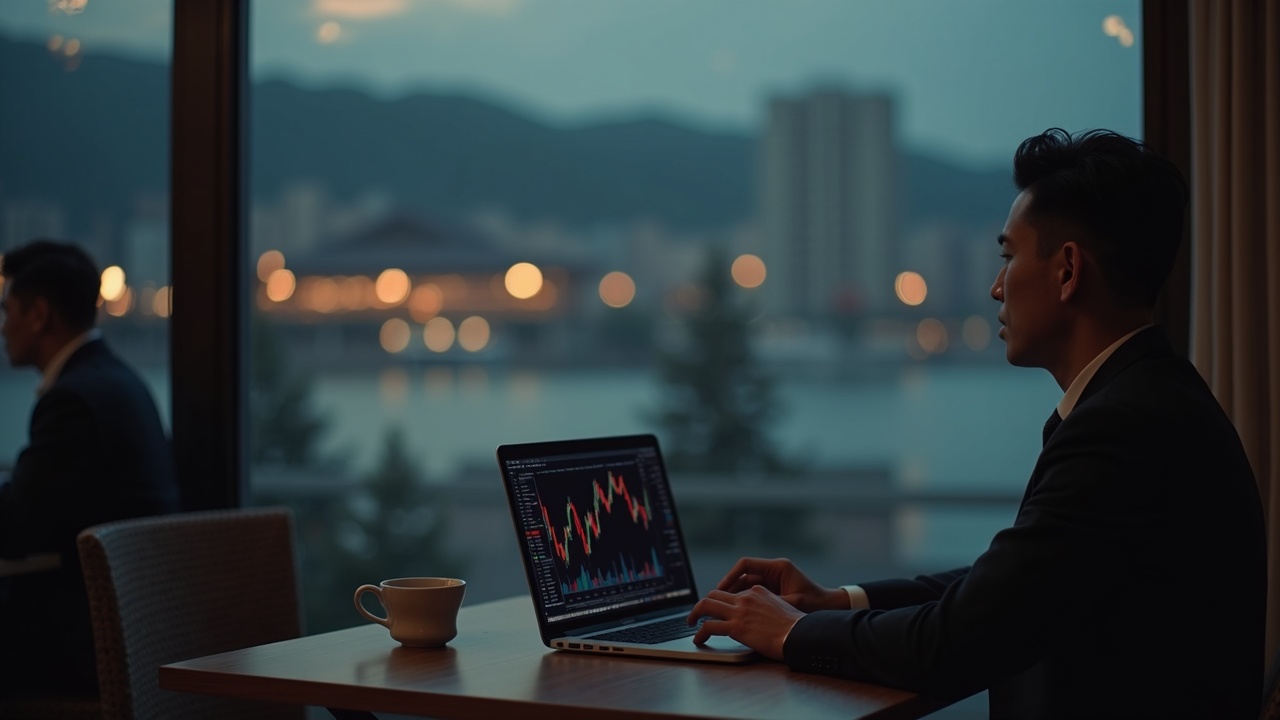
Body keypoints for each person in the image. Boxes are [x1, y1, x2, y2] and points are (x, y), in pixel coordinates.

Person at [687, 129, 1265, 719]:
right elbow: (1010, 590)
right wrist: (836, 602)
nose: (995, 287)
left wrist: (789, 634)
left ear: (1068, 270)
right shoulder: (1151, 399)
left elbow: (957, 639)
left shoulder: (1123, 429)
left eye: (1009, 258)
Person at [0, 240, 179, 695]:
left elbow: (16, 525)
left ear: (39, 315)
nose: (3, 327)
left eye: (8, 311)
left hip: (83, 646)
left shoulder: (73, 401)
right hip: (141, 625)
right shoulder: (118, 380)